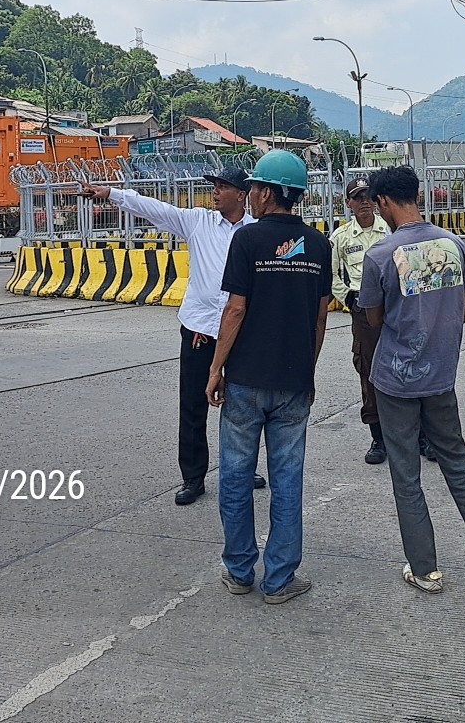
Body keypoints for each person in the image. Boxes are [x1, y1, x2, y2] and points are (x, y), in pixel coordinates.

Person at [359, 165, 465, 595]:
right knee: (459, 466)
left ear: (383, 202)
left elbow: (373, 319)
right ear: (418, 196)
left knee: (406, 475)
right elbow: (461, 310)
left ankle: (425, 570)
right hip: (441, 377)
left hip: (395, 380)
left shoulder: (380, 255)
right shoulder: (453, 244)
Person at [79, 166, 265, 505]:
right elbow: (155, 209)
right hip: (199, 328)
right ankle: (193, 477)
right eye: (214, 186)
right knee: (192, 404)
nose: (215, 192)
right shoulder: (198, 222)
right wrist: (111, 194)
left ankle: (241, 467)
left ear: (241, 194)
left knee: (242, 405)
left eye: (223, 186)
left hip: (241, 330)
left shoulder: (255, 231)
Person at [206, 150, 332, 604]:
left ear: (266, 193)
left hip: (245, 380)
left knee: (236, 476)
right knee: (287, 481)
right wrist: (307, 371)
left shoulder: (247, 240)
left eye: (255, 188)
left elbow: (235, 309)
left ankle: (240, 571)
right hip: (294, 382)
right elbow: (320, 318)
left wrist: (216, 368)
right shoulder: (319, 245)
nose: (252, 196)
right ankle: (279, 579)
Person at [329, 176, 392, 463]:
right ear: (348, 204)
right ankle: (378, 438)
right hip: (363, 310)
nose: (364, 202)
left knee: (407, 365)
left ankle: (420, 436)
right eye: (358, 197)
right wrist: (347, 298)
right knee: (368, 369)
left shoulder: (390, 230)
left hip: (394, 306)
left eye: (368, 196)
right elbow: (331, 274)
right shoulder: (341, 238)